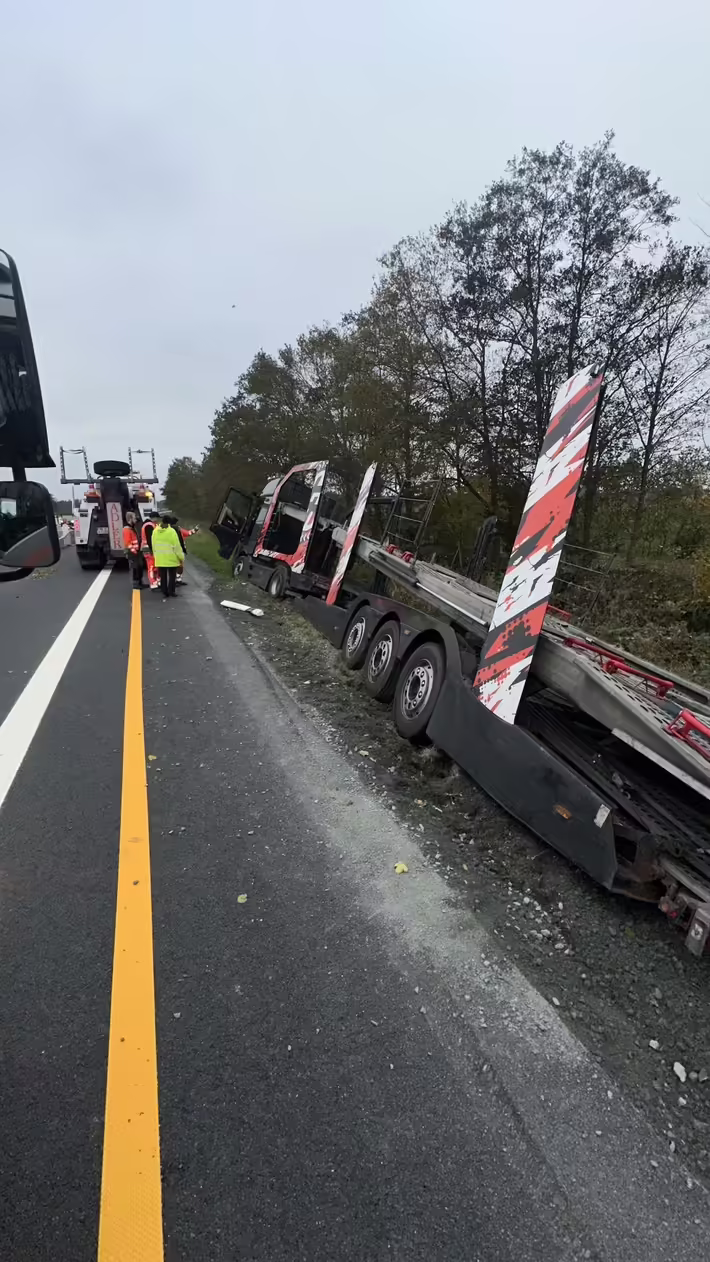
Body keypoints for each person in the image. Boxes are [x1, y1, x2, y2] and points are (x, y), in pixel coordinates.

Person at [151, 514, 183, 598]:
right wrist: (181, 557)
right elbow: (177, 546)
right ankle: (171, 591)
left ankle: (164, 591)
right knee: (172, 576)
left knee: (163, 576)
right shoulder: (171, 531)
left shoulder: (155, 531)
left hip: (160, 558)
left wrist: (155, 555)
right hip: (171, 559)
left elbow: (153, 544)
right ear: (169, 522)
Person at [122, 512, 144, 588]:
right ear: (130, 519)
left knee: (139, 567)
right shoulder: (127, 529)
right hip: (132, 552)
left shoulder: (132, 528)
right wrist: (134, 551)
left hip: (136, 551)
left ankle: (140, 582)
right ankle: (136, 584)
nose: (136, 519)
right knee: (135, 568)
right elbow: (128, 543)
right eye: (134, 518)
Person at [141, 510, 161, 589]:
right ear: (154, 518)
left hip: (150, 549)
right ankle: (153, 583)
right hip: (148, 549)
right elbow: (150, 539)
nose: (158, 520)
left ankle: (156, 582)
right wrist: (153, 550)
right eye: (157, 518)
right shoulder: (149, 525)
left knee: (154, 566)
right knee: (151, 567)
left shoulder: (151, 525)